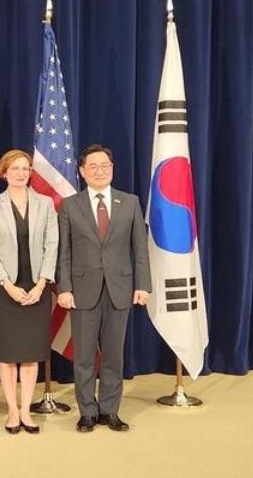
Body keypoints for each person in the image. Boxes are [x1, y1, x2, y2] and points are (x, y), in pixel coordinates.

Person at [57, 144, 151, 432]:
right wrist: (64, 288)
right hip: (82, 290)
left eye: (105, 165)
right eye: (93, 166)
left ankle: (110, 410)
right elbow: (65, 252)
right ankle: (87, 411)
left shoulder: (130, 202)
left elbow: (140, 249)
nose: (100, 171)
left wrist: (142, 285)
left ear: (112, 168)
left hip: (120, 289)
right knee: (84, 356)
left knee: (113, 355)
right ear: (82, 172)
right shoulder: (70, 205)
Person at [0, 149, 58, 434]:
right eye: (15, 168)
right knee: (8, 354)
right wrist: (6, 285)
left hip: (37, 287)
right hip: (6, 289)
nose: (21, 173)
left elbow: (52, 245)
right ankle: (11, 411)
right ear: (4, 172)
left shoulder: (46, 203)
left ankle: (26, 411)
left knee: (30, 354)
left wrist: (42, 284)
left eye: (26, 168)